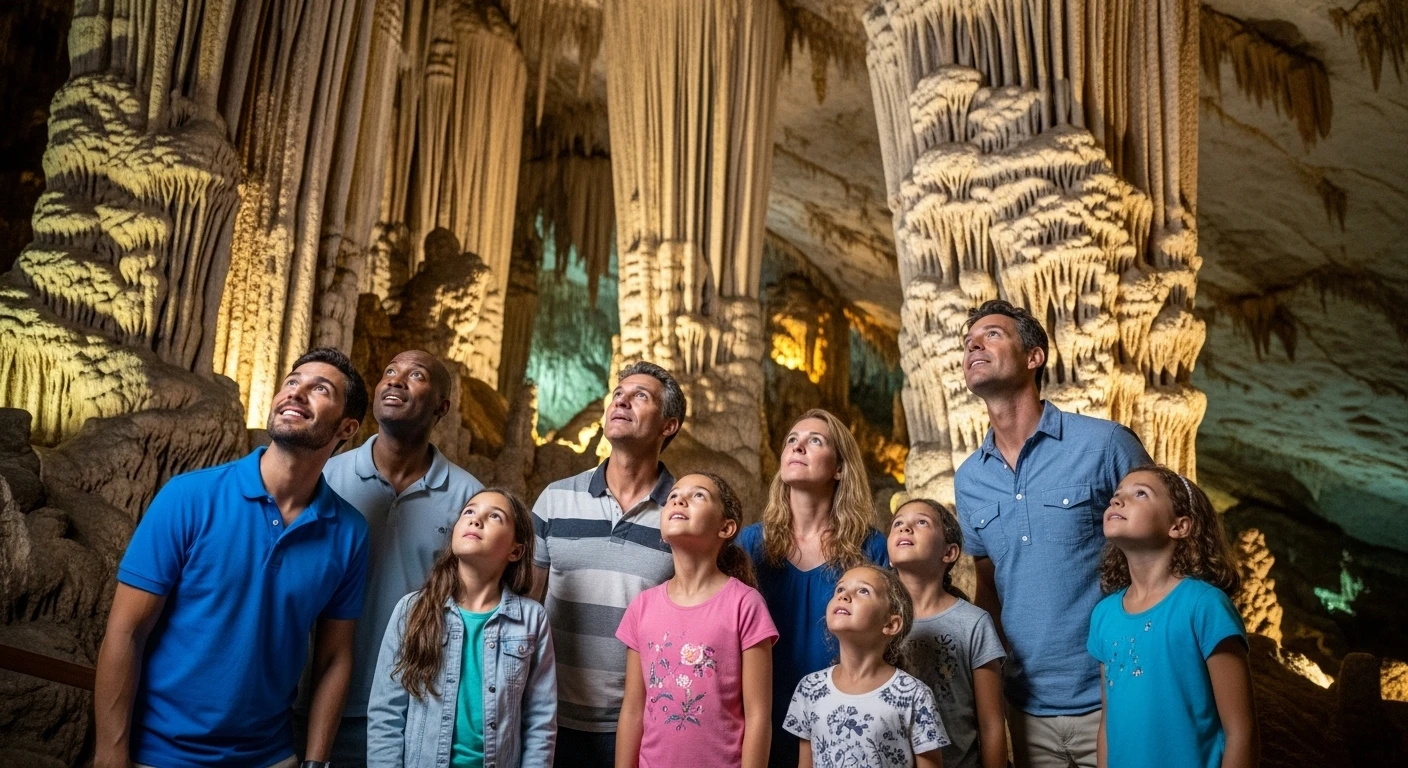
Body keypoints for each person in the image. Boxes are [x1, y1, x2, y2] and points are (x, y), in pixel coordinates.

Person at [93, 348, 371, 768]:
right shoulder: (188, 498)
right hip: (160, 755)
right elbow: (126, 631)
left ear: (347, 427)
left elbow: (334, 658)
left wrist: (315, 761)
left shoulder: (349, 533)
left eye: (320, 389)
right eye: (292, 382)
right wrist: (110, 755)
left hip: (271, 757)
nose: (296, 393)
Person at [954, 300, 1151, 768]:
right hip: (1027, 709)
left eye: (992, 335)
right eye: (967, 343)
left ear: (1034, 356)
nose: (973, 346)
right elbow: (989, 588)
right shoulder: (969, 479)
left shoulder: (1105, 444)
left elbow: (1167, 550)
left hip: (1117, 691)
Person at [306, 349, 484, 765]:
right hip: (308, 701)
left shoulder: (468, 500)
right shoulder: (325, 477)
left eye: (415, 375)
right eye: (389, 372)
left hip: (410, 711)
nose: (396, 380)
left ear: (442, 406)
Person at [530, 362, 685, 767]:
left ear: (668, 425)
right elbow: (525, 603)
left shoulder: (682, 516)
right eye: (619, 393)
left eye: (640, 396)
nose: (621, 400)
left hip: (640, 724)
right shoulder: (554, 499)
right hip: (547, 717)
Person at [736, 408, 888, 767]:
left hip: (843, 723)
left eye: (814, 441)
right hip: (758, 723)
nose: (798, 446)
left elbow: (892, 645)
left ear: (839, 468)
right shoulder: (747, 546)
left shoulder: (871, 549)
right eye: (792, 440)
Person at [367, 488, 557, 768]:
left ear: (515, 551)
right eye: (469, 511)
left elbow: (540, 722)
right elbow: (386, 713)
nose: (476, 520)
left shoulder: (532, 620)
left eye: (494, 516)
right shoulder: (412, 610)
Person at [1088, 466, 1258, 768]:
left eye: (1140, 493)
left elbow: (1240, 732)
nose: (1117, 501)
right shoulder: (1104, 615)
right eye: (1116, 496)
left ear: (1179, 526)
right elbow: (1108, 724)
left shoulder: (1204, 606)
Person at [615, 472, 778, 768]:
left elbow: (758, 717)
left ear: (726, 527)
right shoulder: (642, 607)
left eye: (698, 495)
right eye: (673, 495)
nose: (679, 499)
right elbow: (632, 710)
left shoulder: (745, 604)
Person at [782, 565, 947, 768]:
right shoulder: (810, 688)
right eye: (840, 589)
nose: (844, 596)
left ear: (891, 624)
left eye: (863, 591)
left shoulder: (914, 695)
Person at [889, 499, 1007, 768]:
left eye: (921, 522)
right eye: (898, 523)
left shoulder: (973, 623)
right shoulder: (876, 622)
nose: (905, 528)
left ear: (949, 552)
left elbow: (991, 725)